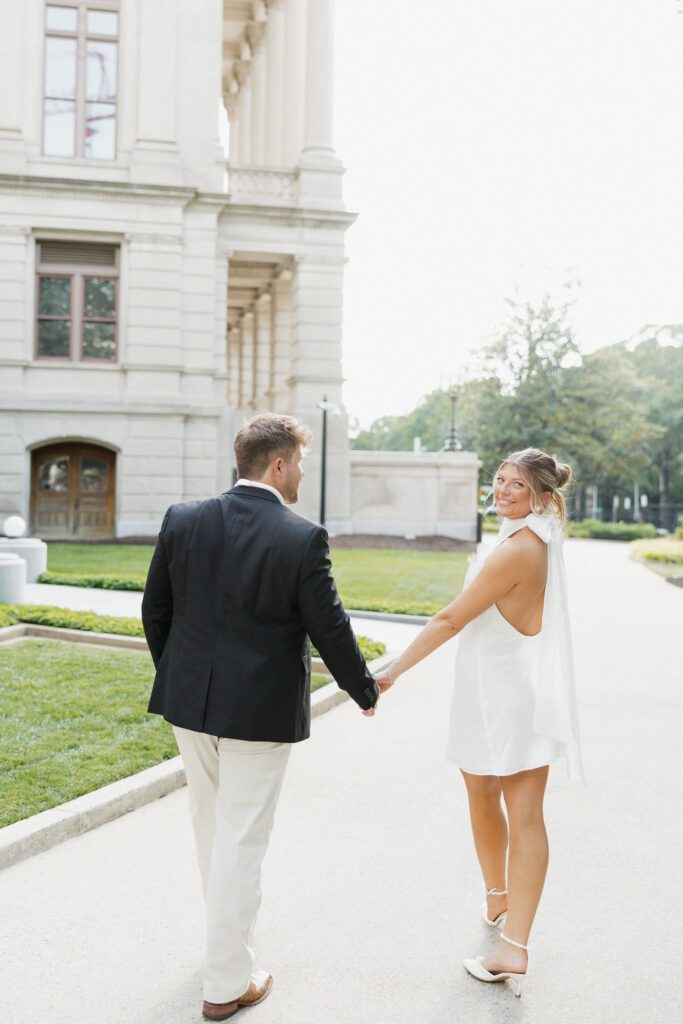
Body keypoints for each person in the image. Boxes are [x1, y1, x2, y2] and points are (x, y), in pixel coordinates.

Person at [141, 414, 379, 1022]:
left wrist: (180, 676)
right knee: (241, 841)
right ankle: (225, 984)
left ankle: (225, 951)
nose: (301, 472)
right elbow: (330, 625)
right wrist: (364, 689)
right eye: (299, 461)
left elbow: (155, 611)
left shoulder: (183, 518)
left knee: (212, 832)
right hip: (259, 715)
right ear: (277, 464)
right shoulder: (302, 536)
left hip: (189, 707)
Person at [374, 448, 584, 997]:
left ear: (541, 496)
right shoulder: (530, 538)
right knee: (480, 794)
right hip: (491, 692)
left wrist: (393, 671)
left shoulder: (518, 549)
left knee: (525, 817)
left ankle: (513, 947)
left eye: (517, 484)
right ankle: (498, 896)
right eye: (499, 479)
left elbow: (449, 619)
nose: (503, 489)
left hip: (507, 699)